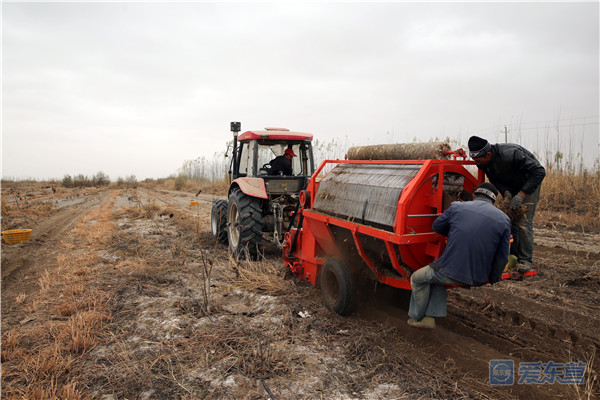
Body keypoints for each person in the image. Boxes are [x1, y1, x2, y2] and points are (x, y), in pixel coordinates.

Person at [407, 182, 511, 329]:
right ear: (493, 200)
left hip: (451, 270)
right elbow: (502, 257)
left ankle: (417, 318)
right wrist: (493, 277)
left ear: (474, 195)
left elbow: (436, 226)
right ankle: (430, 317)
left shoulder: (457, 207)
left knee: (418, 278)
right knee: (435, 279)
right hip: (479, 277)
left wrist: (454, 233)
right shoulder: (504, 219)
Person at [468, 136, 546, 273]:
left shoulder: (511, 154)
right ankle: (512, 255)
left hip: (529, 183)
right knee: (508, 220)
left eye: (478, 160)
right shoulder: (482, 162)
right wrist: (507, 192)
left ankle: (525, 260)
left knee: (523, 222)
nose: (476, 163)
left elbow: (539, 171)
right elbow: (494, 178)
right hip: (511, 185)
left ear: (488, 154)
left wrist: (521, 194)